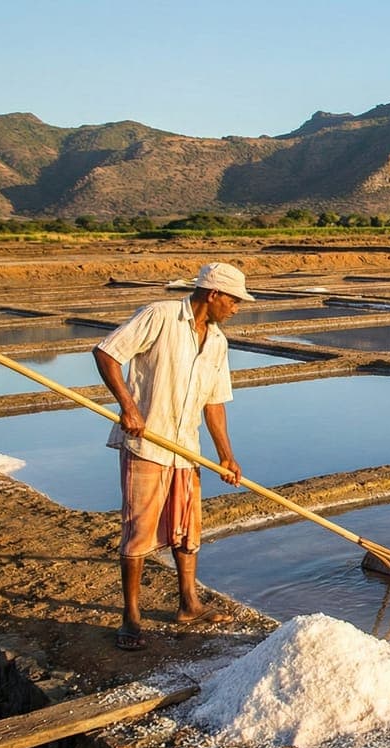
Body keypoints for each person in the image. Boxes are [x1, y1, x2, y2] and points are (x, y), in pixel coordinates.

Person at [93, 262, 251, 651]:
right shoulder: (160, 316)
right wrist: (129, 408)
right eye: (233, 300)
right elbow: (107, 352)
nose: (236, 308)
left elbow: (214, 403)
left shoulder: (217, 341)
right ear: (213, 294)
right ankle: (130, 618)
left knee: (187, 528)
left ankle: (188, 604)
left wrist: (226, 456)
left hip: (186, 449)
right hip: (147, 445)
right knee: (139, 531)